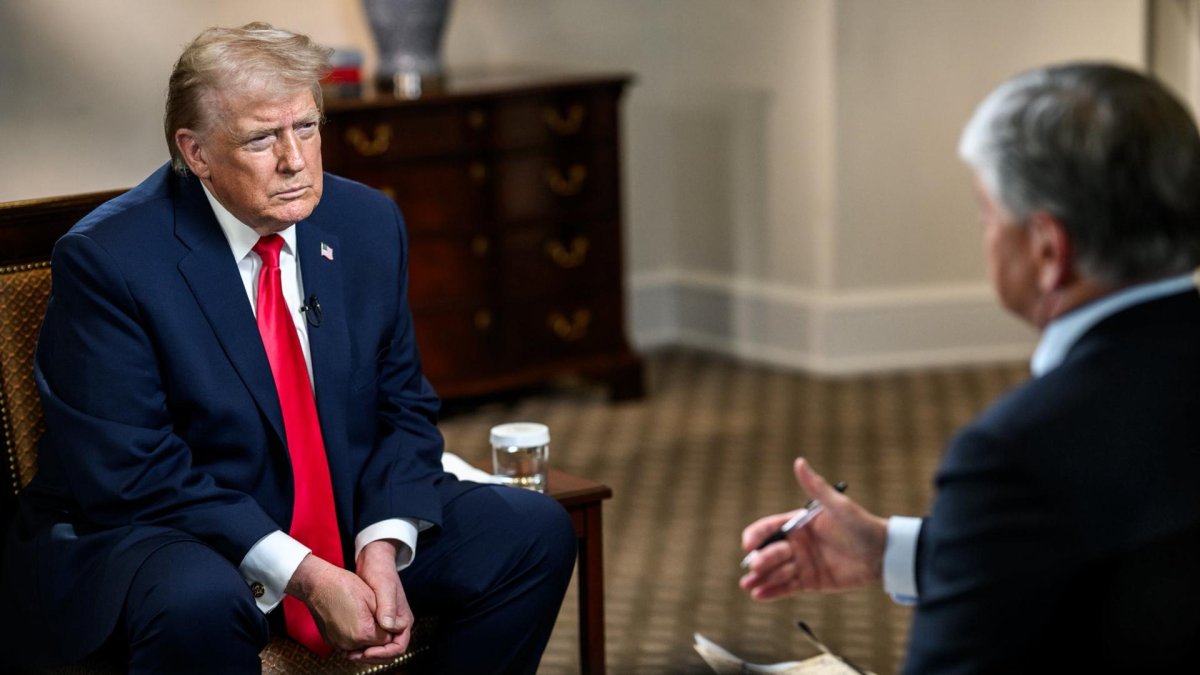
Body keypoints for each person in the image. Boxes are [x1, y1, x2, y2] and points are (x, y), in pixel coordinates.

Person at [0, 23, 576, 674]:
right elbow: (132, 471)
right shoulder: (111, 261)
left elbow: (402, 407)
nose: (294, 159)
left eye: (306, 126)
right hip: (175, 527)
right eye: (261, 138)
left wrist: (382, 547)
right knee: (196, 600)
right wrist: (306, 574)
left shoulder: (366, 223)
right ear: (197, 152)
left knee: (533, 532)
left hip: (335, 508)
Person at [739, 62, 1200, 673]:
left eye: (986, 213)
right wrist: (890, 552)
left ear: (1046, 251)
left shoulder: (1018, 452)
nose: (983, 233)